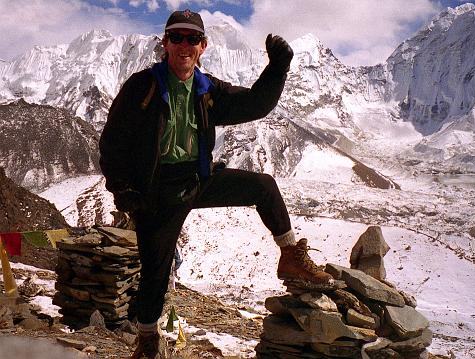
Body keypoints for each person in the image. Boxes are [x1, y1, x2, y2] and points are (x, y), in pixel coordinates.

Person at [99, 9, 337, 359]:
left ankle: (290, 256)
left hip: (197, 179)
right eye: (177, 37)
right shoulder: (143, 87)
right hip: (157, 192)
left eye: (192, 39)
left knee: (264, 186)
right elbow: (113, 141)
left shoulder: (207, 90)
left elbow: (255, 103)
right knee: (155, 273)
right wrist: (124, 191)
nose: (184, 45)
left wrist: (278, 67)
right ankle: (148, 340)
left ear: (203, 46)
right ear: (164, 43)